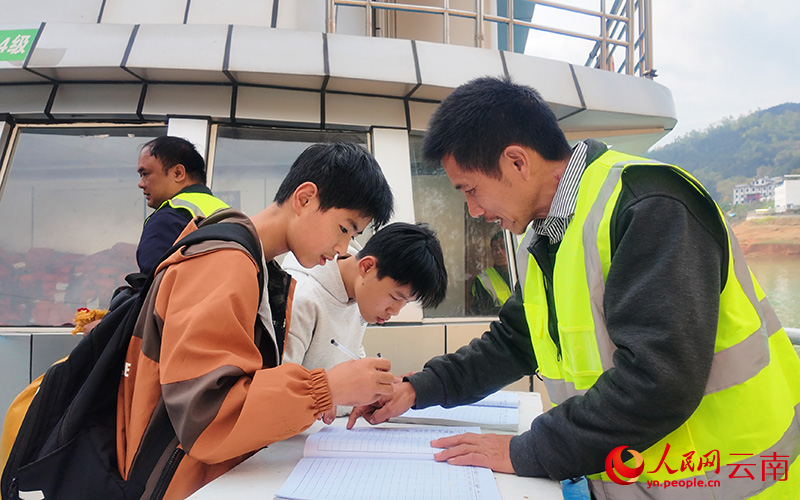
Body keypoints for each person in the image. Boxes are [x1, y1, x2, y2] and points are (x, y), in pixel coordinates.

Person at [347, 77, 800, 498]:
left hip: (731, 479)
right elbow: (514, 341)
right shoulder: (546, 235)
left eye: (470, 190)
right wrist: (417, 388)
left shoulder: (648, 206)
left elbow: (658, 380)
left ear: (517, 161)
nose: (474, 211)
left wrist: (525, 451)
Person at [117, 142, 396, 500]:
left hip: (208, 480)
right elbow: (207, 415)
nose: (344, 249)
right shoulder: (224, 263)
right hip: (178, 484)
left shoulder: (256, 264)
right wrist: (324, 389)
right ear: (305, 198)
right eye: (345, 228)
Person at [282, 222, 448, 418]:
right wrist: (323, 396)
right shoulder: (301, 298)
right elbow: (280, 395)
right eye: (395, 297)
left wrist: (376, 388)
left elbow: (347, 353)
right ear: (367, 266)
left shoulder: (360, 295)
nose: (395, 311)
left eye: (406, 302)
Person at [135, 135, 229, 275]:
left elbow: (154, 284)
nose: (141, 184)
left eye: (145, 174)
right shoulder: (225, 211)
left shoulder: (168, 218)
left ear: (178, 173)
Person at [469, 230, 511, 315]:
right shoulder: (483, 280)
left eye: (503, 247)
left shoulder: (520, 274)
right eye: (495, 249)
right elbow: (484, 313)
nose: (499, 252)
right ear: (492, 252)